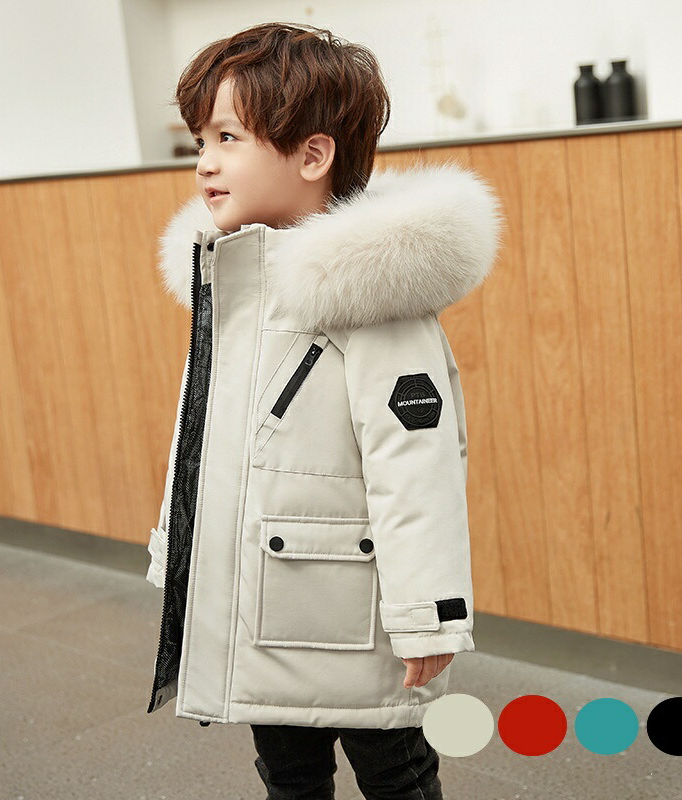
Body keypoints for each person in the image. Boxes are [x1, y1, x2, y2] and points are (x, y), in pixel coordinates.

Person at [144, 21, 504, 800]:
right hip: (266, 611)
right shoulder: (235, 284)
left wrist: (429, 616)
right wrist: (178, 547)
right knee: (288, 775)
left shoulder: (372, 293)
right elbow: (202, 437)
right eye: (200, 139)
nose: (204, 161)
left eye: (228, 137)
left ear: (312, 156)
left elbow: (417, 469)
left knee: (396, 776)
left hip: (358, 621)